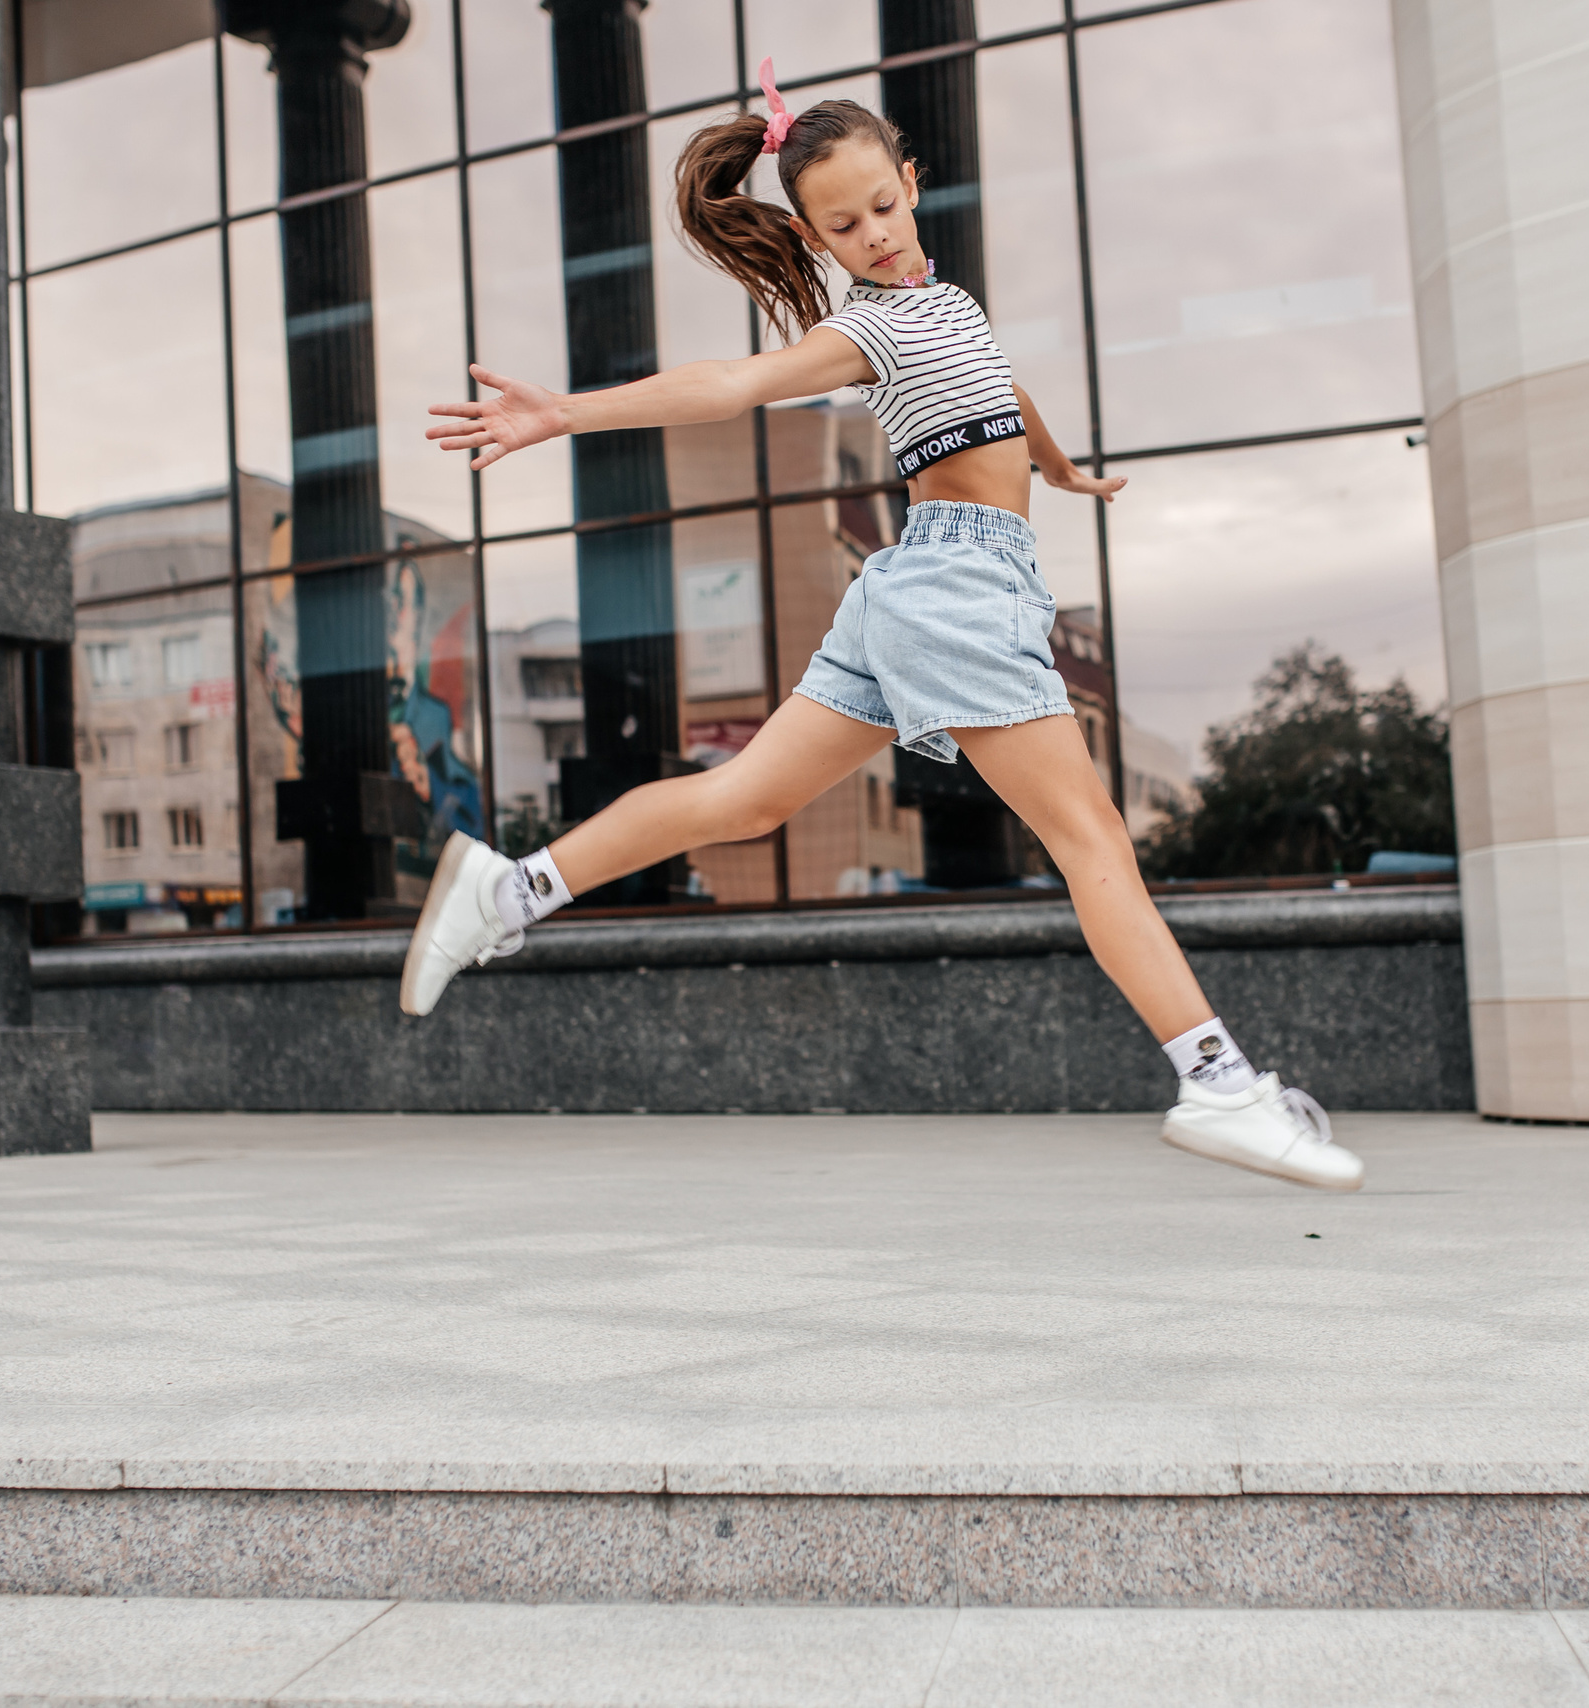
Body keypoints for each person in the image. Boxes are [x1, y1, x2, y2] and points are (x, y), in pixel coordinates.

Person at [401, 64, 1361, 1192]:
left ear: (912, 180)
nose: (875, 238)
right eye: (842, 228)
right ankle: (1220, 1084)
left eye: (883, 208)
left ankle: (506, 890)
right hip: (953, 589)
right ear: (814, 236)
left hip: (915, 589)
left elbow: (1004, 387)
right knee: (1092, 838)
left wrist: (1059, 470)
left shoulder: (950, 308)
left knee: (744, 799)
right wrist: (565, 413)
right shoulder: (874, 331)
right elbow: (727, 382)